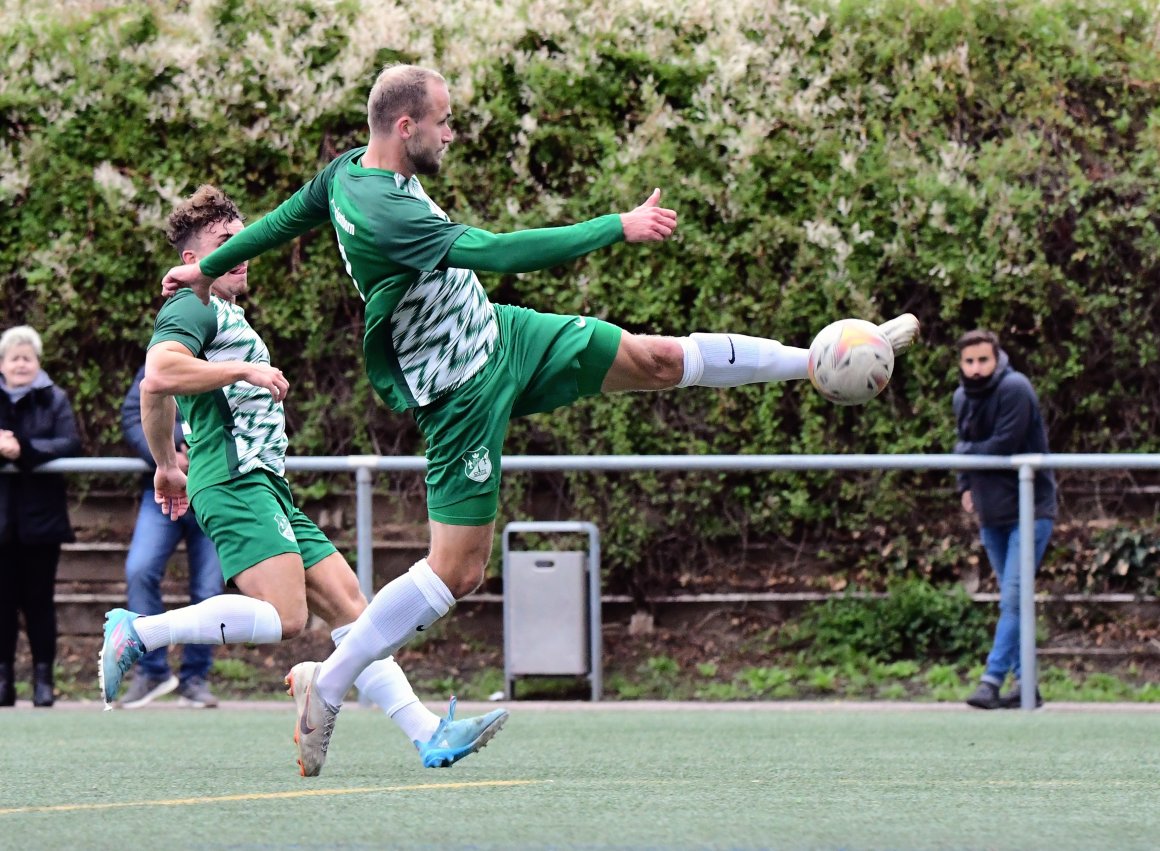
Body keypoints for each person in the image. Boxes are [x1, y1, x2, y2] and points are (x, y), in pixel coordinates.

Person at [159, 63, 921, 774]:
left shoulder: (347, 173)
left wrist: (203, 266)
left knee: (656, 357)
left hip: (503, 336)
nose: (452, 133)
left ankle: (812, 360)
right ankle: (325, 685)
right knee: (458, 571)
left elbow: (279, 222)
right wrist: (614, 226)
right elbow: (500, 252)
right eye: (443, 122)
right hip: (458, 393)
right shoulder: (384, 212)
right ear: (404, 126)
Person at [100, 185, 505, 776]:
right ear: (192, 259)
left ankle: (427, 734)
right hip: (234, 479)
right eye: (223, 242)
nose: (239, 251)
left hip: (264, 483)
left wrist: (165, 464)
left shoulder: (222, 312)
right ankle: (141, 632)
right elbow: (157, 375)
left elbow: (153, 394)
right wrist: (242, 371)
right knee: (286, 618)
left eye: (241, 240)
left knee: (351, 607)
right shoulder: (193, 304)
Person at [953, 329, 1056, 710]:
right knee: (1013, 599)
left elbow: (1002, 446)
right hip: (990, 512)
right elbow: (964, 446)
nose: (976, 368)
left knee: (1013, 598)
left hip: (1029, 510)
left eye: (983, 360)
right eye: (969, 361)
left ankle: (991, 680)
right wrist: (965, 484)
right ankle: (1027, 684)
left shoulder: (1015, 388)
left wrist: (964, 452)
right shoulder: (961, 397)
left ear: (997, 359)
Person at [117, 365, 224, 708]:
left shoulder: (232, 359)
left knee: (209, 591)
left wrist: (199, 451)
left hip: (214, 491)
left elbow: (240, 419)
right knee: (140, 570)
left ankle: (195, 679)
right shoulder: (160, 358)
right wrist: (169, 454)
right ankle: (152, 671)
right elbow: (134, 416)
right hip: (163, 491)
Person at [0, 325, 82, 708]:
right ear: (2, 363)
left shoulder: (55, 398)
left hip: (41, 519)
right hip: (2, 520)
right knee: (2, 604)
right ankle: (3, 681)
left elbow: (69, 442)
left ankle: (43, 680)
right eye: (13, 358)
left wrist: (23, 449)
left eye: (27, 358)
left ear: (37, 362)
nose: (20, 364)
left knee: (39, 603)